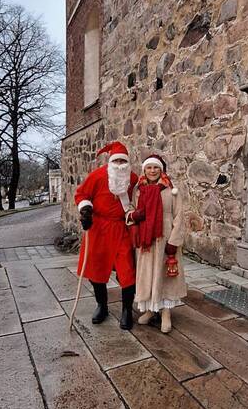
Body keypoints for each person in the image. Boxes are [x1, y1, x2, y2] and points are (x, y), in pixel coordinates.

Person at [75, 141, 137, 329]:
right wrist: (85, 210)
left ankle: (127, 310)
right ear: (110, 162)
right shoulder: (97, 176)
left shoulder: (132, 178)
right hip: (98, 228)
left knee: (127, 271)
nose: (119, 165)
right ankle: (101, 306)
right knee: (97, 269)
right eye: (116, 161)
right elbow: (81, 194)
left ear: (127, 163)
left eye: (123, 161)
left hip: (120, 228)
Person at [127, 154, 187, 333]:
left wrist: (174, 241)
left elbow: (179, 216)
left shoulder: (170, 189)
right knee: (148, 274)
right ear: (144, 170)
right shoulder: (138, 190)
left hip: (165, 236)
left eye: (156, 168)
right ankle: (150, 309)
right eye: (149, 168)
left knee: (165, 275)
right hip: (146, 238)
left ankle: (166, 312)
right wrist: (135, 215)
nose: (152, 171)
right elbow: (130, 210)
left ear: (161, 170)